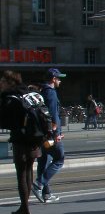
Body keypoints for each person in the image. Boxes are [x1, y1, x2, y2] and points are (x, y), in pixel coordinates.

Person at [1, 70, 48, 214]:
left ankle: (25, 209)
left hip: (20, 139)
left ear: (9, 82)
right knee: (29, 171)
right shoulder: (29, 93)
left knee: (21, 173)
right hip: (36, 139)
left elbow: (6, 121)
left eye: (2, 81)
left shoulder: (11, 98)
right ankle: (24, 207)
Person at [33, 67, 64, 203]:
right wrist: (56, 133)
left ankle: (46, 193)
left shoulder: (41, 92)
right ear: (53, 79)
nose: (60, 81)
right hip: (51, 135)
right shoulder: (51, 93)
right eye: (58, 78)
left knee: (43, 161)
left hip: (41, 134)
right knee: (59, 158)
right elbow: (52, 115)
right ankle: (39, 184)